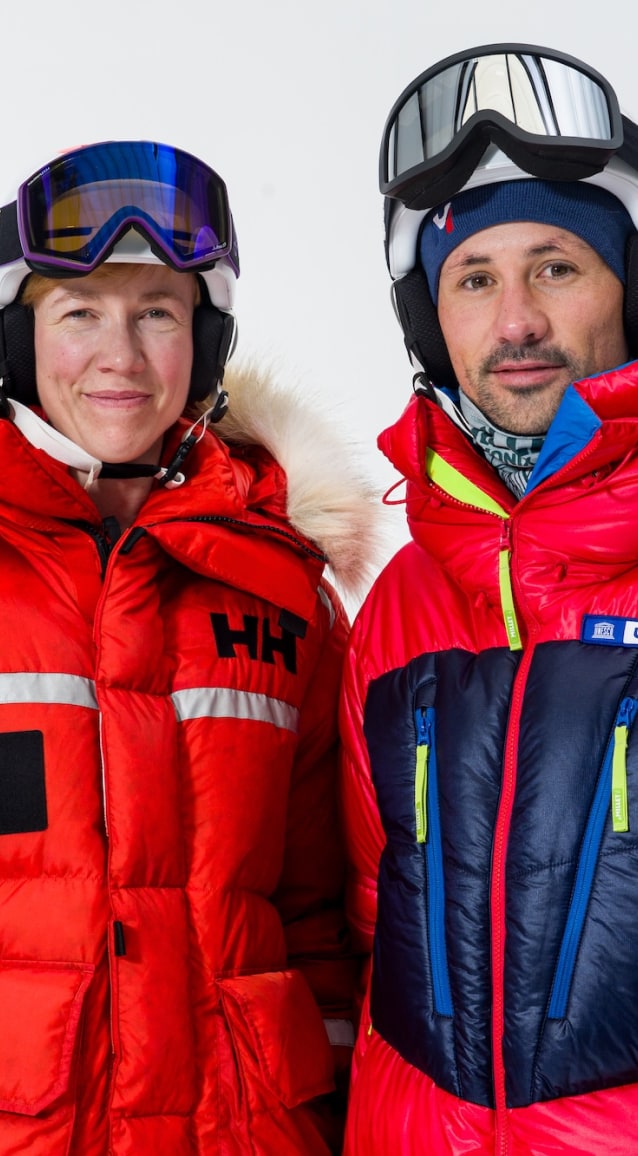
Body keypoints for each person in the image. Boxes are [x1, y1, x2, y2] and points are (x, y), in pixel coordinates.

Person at [0, 139, 374, 1154]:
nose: (119, 355)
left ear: (204, 343)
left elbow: (318, 915)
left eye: (156, 313)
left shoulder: (282, 583)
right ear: (17, 339)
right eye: (77, 312)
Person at [339, 42, 638, 1155]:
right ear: (432, 316)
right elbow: (368, 915)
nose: (512, 319)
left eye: (555, 265)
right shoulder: (397, 603)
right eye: (473, 277)